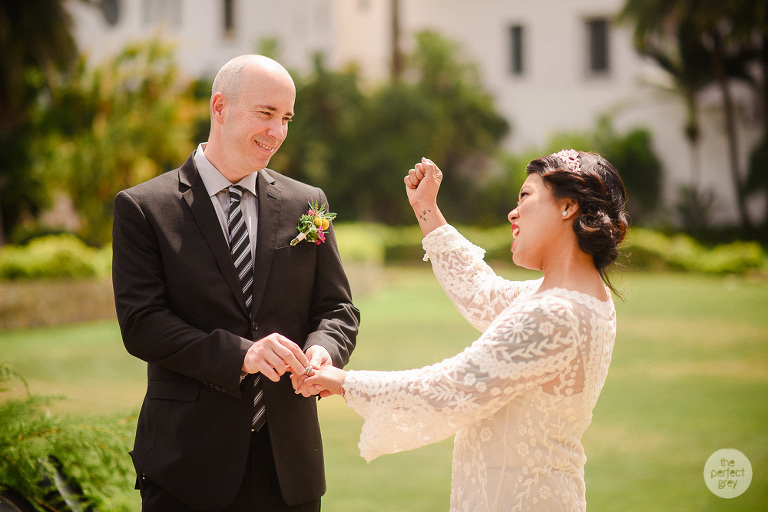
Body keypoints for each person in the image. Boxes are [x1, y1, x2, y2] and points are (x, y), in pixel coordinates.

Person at [295, 151, 628, 511]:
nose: (512, 213)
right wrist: (426, 208)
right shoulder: (575, 298)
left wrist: (343, 382)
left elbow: (449, 387)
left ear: (568, 207)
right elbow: (480, 292)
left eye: (526, 196)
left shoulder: (555, 312)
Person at [112, 55, 360, 512]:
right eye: (266, 114)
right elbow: (141, 323)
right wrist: (242, 355)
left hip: (291, 467)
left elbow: (337, 309)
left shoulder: (308, 202)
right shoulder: (144, 208)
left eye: (286, 117)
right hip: (187, 465)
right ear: (220, 107)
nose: (278, 132)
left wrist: (325, 346)